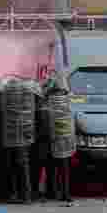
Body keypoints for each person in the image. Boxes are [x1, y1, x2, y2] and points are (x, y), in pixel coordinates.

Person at [44, 71, 75, 202]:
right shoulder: (68, 101)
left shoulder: (48, 101)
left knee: (52, 166)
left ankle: (53, 192)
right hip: (66, 138)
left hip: (53, 138)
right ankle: (65, 194)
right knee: (64, 167)